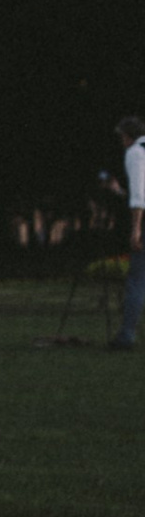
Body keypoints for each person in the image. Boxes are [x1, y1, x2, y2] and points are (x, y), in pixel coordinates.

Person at [113, 117, 145, 352]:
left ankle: (126, 335)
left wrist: (135, 228)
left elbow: (139, 195)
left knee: (137, 280)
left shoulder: (135, 152)